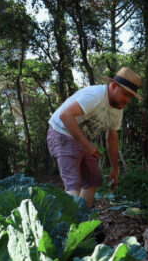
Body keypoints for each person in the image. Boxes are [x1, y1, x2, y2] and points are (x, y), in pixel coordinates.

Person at [47, 67, 141, 207]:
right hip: (61, 132)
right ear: (114, 86)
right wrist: (87, 145)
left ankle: (85, 219)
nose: (127, 100)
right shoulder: (95, 95)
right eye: (125, 94)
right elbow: (65, 115)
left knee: (93, 180)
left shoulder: (117, 107)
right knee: (73, 183)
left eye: (130, 97)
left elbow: (112, 138)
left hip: (80, 138)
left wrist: (115, 168)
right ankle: (71, 226)